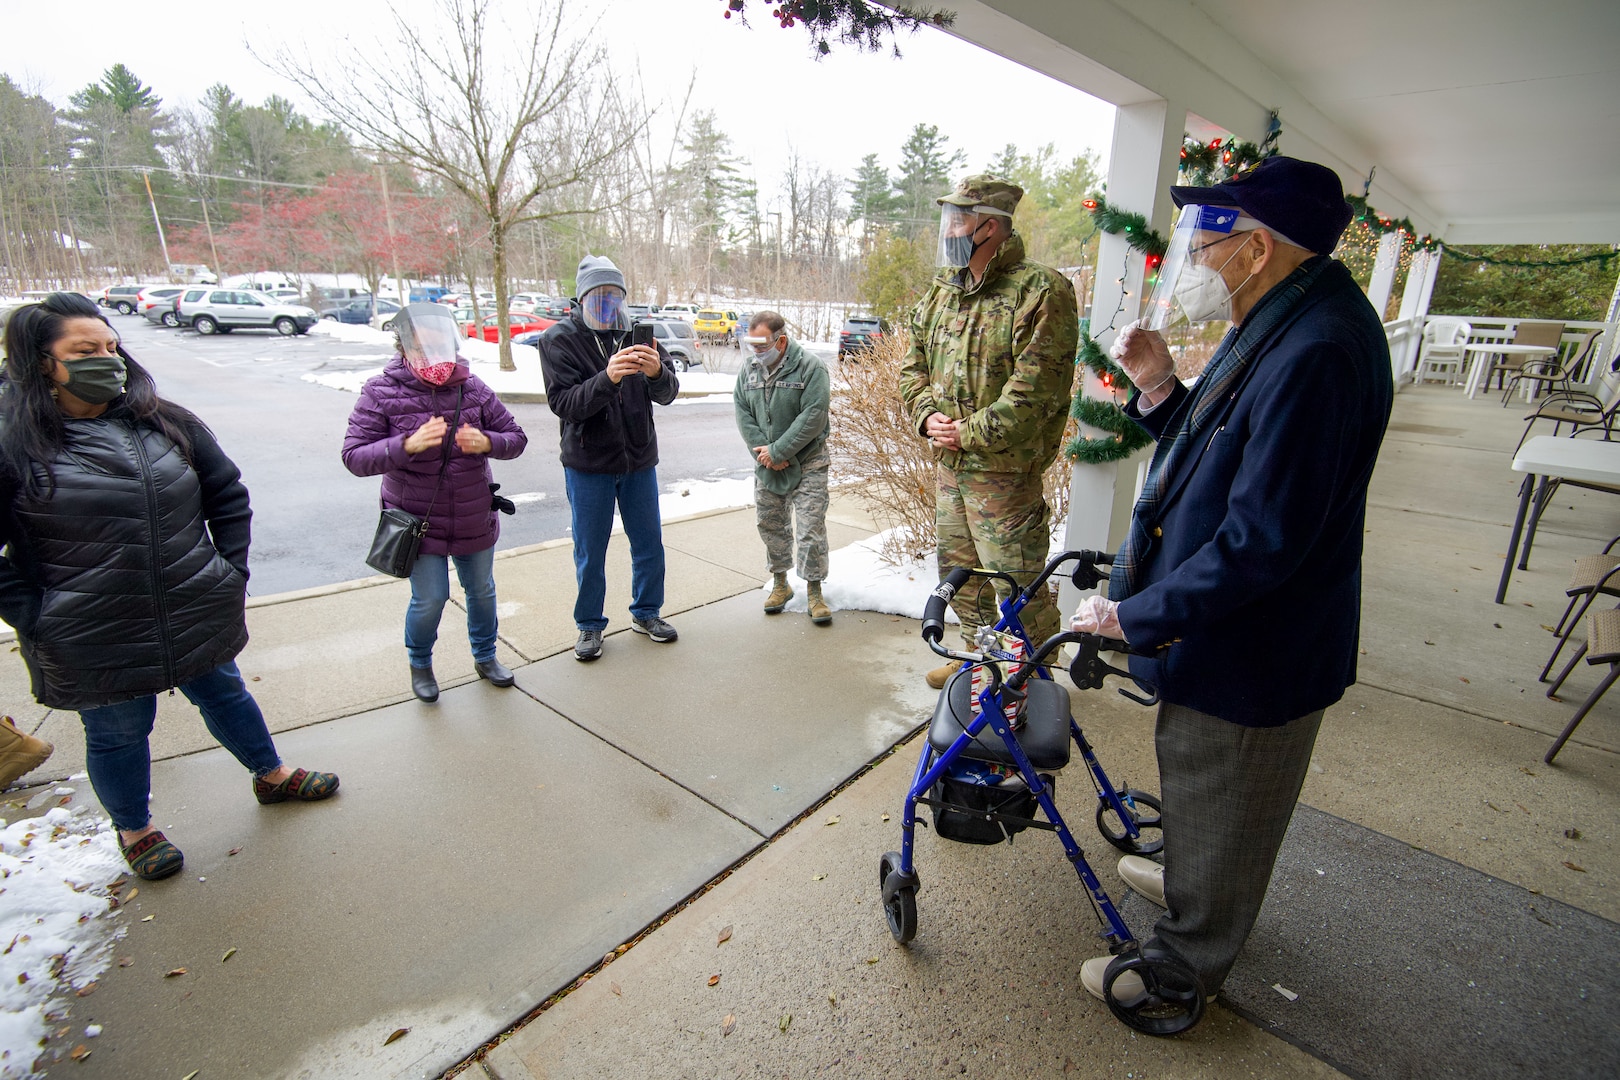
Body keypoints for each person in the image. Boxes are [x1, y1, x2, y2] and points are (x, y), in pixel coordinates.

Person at [1067, 157, 1393, 1010]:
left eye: (1207, 242)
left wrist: (1134, 614)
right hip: (1234, 627)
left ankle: (1181, 968)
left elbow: (1260, 541)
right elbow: (1234, 455)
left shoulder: (1317, 349)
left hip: (1259, 642)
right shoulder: (1288, 315)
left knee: (1227, 788)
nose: (1195, 261)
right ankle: (1194, 882)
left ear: (1255, 249)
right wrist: (1161, 389)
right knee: (1206, 787)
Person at [0, 292, 339, 881]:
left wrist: (228, 572)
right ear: (40, 362)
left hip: (191, 603)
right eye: (84, 350)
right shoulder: (14, 443)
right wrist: (38, 614)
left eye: (111, 346)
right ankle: (135, 829)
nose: (106, 359)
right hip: (92, 630)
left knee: (227, 695)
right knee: (118, 730)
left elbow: (227, 495)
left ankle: (272, 775)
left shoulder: (163, 421)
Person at [898, 174, 1080, 689]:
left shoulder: (1040, 289)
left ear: (992, 226)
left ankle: (1039, 678)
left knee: (1018, 585)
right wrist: (926, 415)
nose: (949, 228)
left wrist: (967, 433)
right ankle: (979, 663)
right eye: (949, 217)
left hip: (1004, 477)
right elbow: (910, 367)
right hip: (951, 472)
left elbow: (1035, 392)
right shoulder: (942, 292)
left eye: (960, 218)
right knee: (962, 580)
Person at [342, 303, 528, 702]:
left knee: (481, 591)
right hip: (417, 521)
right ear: (404, 345)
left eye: (440, 343)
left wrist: (488, 442)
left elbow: (516, 437)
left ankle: (486, 656)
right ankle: (421, 663)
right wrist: (405, 445)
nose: (433, 354)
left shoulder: (472, 387)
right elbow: (354, 456)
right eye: (423, 345)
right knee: (430, 598)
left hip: (473, 514)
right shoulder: (381, 391)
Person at [538, 255, 680, 661]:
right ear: (581, 300)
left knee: (649, 543)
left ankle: (647, 612)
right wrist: (608, 377)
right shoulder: (558, 340)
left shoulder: (639, 334)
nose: (606, 305)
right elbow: (564, 404)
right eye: (597, 297)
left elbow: (668, 393)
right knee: (590, 549)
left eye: (613, 296)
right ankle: (589, 626)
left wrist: (656, 373)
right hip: (589, 465)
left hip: (638, 460)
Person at [733, 311, 833, 624]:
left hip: (808, 461)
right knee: (770, 524)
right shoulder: (748, 370)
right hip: (767, 462)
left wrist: (780, 450)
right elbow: (742, 412)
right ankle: (780, 584)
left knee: (810, 527)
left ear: (782, 340)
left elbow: (813, 416)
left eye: (762, 345)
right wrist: (766, 454)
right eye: (752, 345)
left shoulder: (811, 367)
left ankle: (814, 591)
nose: (756, 352)